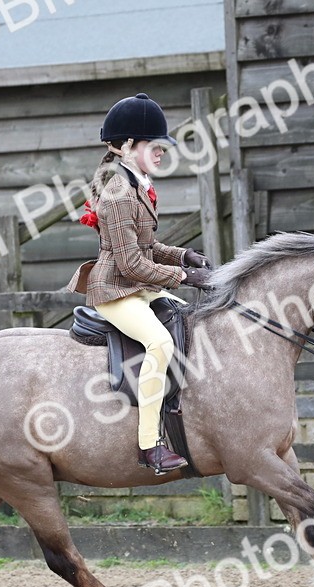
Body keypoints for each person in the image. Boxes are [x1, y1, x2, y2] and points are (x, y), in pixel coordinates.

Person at [65, 93, 212, 474]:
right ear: (128, 146)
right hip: (115, 290)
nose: (162, 153)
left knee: (191, 321)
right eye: (155, 146)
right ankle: (150, 445)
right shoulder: (117, 192)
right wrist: (183, 277)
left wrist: (183, 256)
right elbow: (130, 263)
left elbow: (146, 246)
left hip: (134, 284)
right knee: (160, 343)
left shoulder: (136, 185)